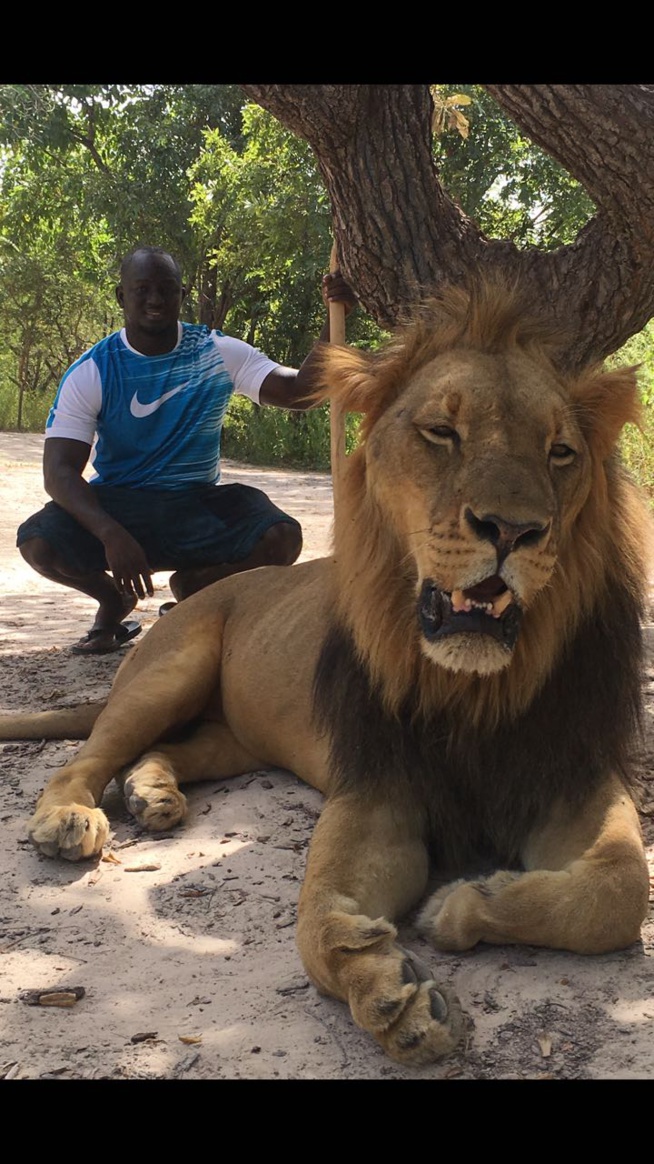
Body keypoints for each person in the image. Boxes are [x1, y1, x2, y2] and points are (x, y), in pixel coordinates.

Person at [17, 245, 356, 654]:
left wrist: (334, 316)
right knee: (38, 542)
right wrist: (111, 534)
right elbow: (59, 473)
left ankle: (193, 589)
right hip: (121, 508)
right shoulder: (94, 370)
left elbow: (300, 393)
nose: (156, 299)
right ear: (122, 297)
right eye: (142, 289)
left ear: (182, 294)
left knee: (281, 538)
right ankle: (113, 600)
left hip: (197, 506)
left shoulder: (216, 351)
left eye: (167, 289)